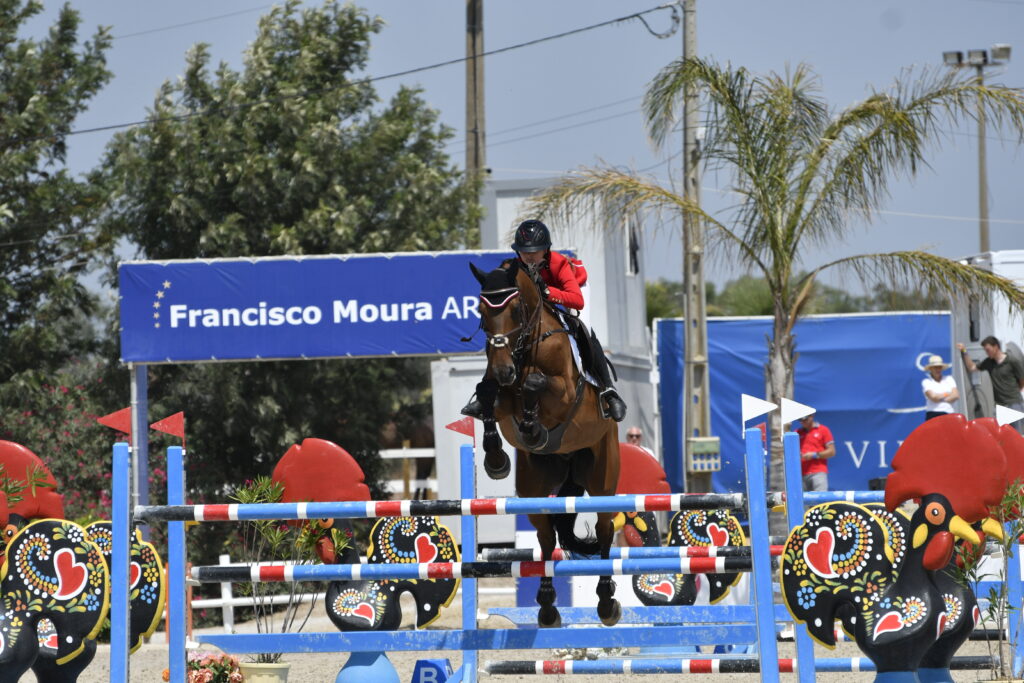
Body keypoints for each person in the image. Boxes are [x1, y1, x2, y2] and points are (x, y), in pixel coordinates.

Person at [462, 219, 627, 422]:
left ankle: (608, 390)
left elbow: (577, 301)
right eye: (524, 251)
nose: (529, 256)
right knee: (500, 335)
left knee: (583, 327)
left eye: (535, 251)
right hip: (541, 300)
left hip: (571, 291)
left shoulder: (559, 264)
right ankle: (486, 389)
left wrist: (548, 292)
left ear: (546, 249)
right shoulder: (514, 267)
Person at [958, 337, 1024, 431]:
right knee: (1001, 435)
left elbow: (1022, 380)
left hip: (1014, 404)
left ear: (996, 347)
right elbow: (972, 368)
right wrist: (964, 351)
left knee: (1017, 435)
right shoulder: (989, 362)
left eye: (988, 350)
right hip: (1000, 406)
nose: (987, 353)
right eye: (985, 350)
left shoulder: (1012, 361)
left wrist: (1013, 393)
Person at [795, 413, 835, 492]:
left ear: (812, 416)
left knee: (820, 498)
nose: (803, 422)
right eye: (800, 420)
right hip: (801, 473)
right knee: (802, 499)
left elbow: (832, 451)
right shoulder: (797, 433)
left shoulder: (823, 430)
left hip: (818, 472)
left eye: (805, 419)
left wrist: (814, 455)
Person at [921, 354, 959, 421]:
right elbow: (933, 397)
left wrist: (940, 397)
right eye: (935, 367)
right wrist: (948, 394)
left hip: (949, 413)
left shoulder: (949, 379)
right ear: (930, 369)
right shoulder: (926, 382)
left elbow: (956, 395)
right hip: (933, 414)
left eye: (939, 367)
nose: (938, 369)